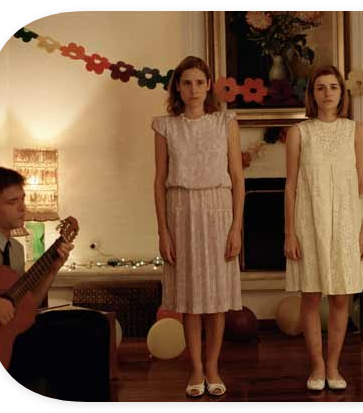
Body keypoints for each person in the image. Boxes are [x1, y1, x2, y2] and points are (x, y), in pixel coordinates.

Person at [152, 56, 244, 397]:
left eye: (200, 82)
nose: (193, 89)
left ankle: (213, 367)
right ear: (178, 87)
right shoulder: (165, 126)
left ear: (209, 87)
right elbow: (159, 181)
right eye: (187, 82)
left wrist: (236, 228)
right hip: (181, 211)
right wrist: (163, 231)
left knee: (215, 298)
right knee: (190, 298)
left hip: (218, 211)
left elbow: (238, 178)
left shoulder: (225, 122)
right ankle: (195, 369)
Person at [284, 65, 363, 391]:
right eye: (320, 87)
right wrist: (289, 232)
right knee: (310, 298)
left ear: (341, 92)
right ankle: (317, 366)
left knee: (340, 298)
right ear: (312, 93)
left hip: (347, 222)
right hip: (309, 223)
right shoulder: (299, 133)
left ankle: (334, 366)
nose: (327, 93)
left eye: (333, 87)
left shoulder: (356, 131)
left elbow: (362, 183)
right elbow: (291, 186)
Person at [0, 166, 74, 385]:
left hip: (6, 337)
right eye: (11, 202)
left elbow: (26, 305)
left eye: (22, 199)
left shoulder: (16, 249)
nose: (22, 208)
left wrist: (52, 269)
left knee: (90, 323)